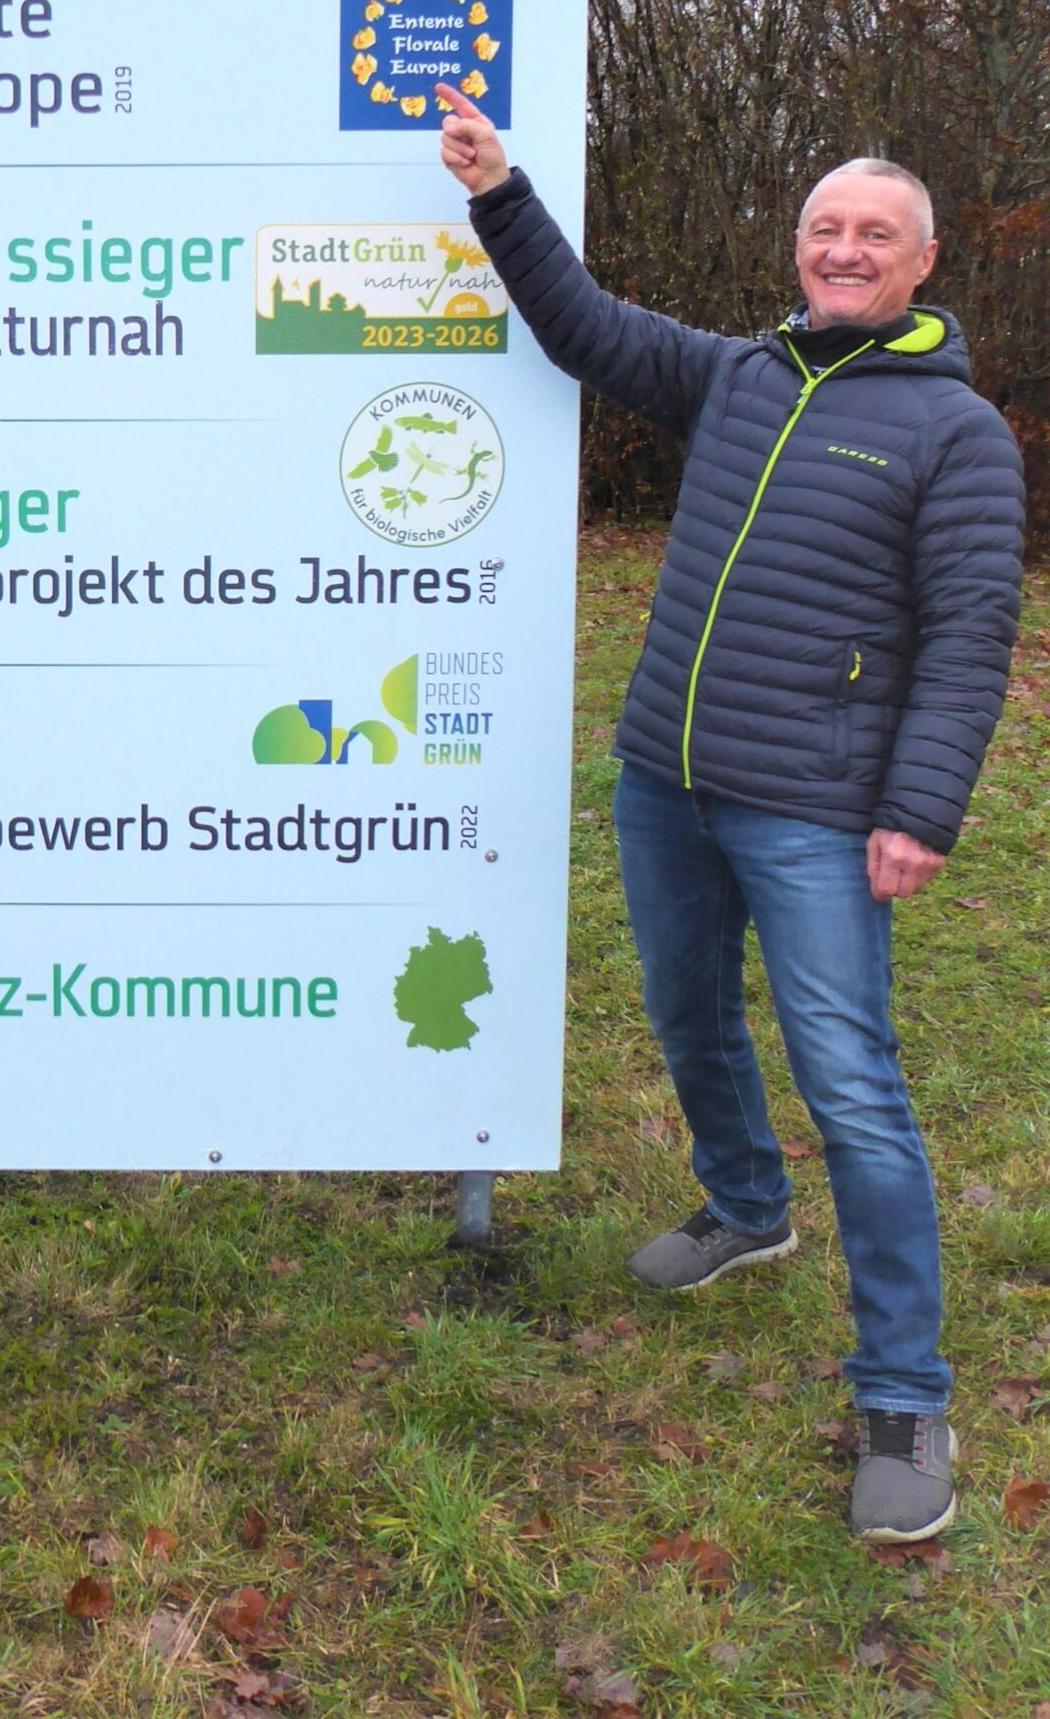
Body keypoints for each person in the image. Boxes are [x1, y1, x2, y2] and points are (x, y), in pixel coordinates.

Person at [433, 81, 1024, 1544]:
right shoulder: (741, 376)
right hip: (667, 778)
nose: (844, 249)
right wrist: (500, 191)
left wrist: (920, 810)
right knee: (686, 1013)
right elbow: (586, 327)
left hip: (819, 809)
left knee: (854, 1087)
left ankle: (904, 1393)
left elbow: (971, 639)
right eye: (826, 226)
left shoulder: (956, 433)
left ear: (922, 261)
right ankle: (749, 1208)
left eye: (874, 232)